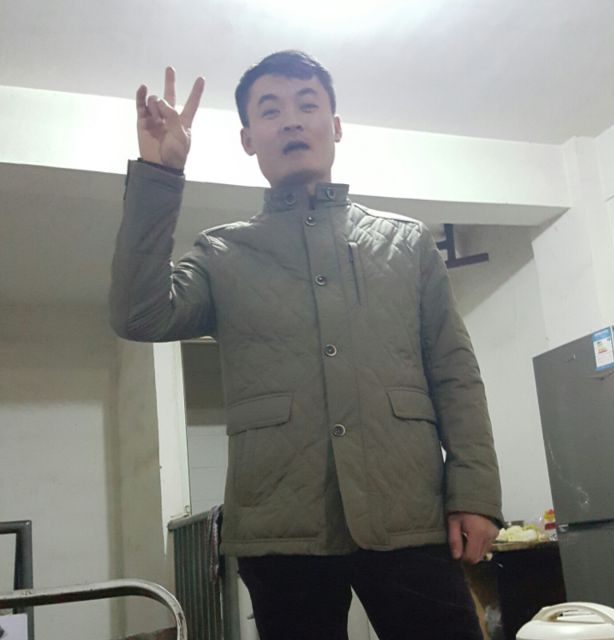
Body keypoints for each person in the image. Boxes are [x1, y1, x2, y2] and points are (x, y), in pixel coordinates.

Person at [110, 50, 502, 640]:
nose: (291, 120)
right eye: (270, 110)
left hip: (410, 514)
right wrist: (158, 175)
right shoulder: (222, 254)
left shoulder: (408, 245)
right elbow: (138, 314)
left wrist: (474, 492)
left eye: (307, 104)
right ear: (248, 139)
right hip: (279, 526)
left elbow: (455, 373)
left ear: (335, 126)